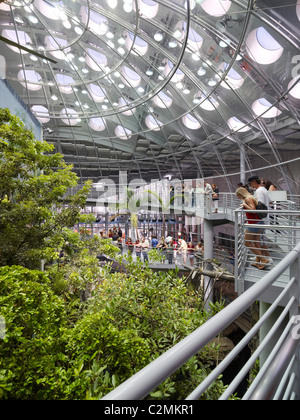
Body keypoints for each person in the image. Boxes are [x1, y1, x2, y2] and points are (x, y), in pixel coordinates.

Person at [235, 187, 271, 270]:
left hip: (253, 223)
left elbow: (253, 210)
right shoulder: (251, 197)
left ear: (240, 194)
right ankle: (259, 263)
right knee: (256, 243)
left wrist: (244, 205)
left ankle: (263, 259)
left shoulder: (248, 199)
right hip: (257, 222)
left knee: (246, 242)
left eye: (238, 196)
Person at [247, 175, 273, 264]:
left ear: (254, 181)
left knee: (260, 240)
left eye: (250, 183)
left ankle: (267, 258)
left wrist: (250, 204)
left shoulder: (258, 191)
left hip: (261, 218)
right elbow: (270, 201)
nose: (250, 186)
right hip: (265, 217)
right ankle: (260, 258)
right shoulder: (264, 189)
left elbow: (260, 204)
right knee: (260, 239)